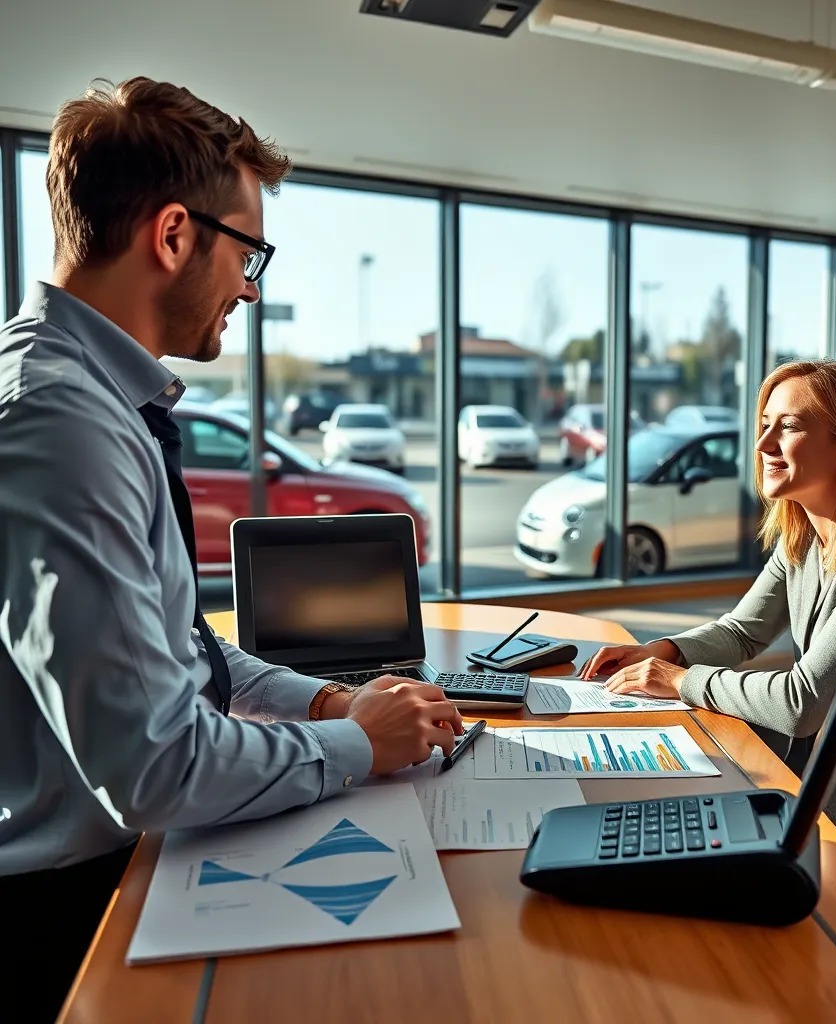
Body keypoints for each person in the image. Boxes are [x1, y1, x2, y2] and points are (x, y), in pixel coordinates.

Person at [0, 77, 462, 1022]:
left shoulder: (96, 402)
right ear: (174, 236)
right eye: (249, 253)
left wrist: (333, 700)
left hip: (128, 867)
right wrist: (355, 744)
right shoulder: (61, 424)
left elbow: (186, 655)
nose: (251, 286)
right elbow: (158, 765)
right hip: (72, 916)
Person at [582, 360, 836, 901]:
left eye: (790, 426)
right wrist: (664, 650)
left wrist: (678, 680)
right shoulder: (805, 532)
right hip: (822, 802)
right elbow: (742, 632)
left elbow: (803, 702)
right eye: (765, 424)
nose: (763, 443)